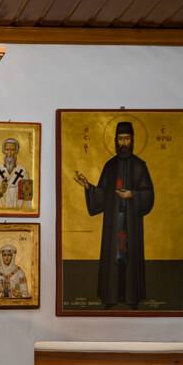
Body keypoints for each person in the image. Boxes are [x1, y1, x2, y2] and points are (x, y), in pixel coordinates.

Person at [74, 120, 154, 309]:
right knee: (113, 259)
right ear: (115, 141)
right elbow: (102, 194)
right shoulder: (110, 166)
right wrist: (88, 186)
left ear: (132, 140)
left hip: (131, 220)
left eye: (127, 139)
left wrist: (131, 194)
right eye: (120, 139)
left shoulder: (140, 166)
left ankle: (131, 299)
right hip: (113, 220)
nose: (123, 143)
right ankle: (111, 298)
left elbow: (149, 194)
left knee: (130, 259)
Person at [0, 138, 33, 210]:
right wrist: (0, 193)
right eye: (7, 150)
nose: (9, 154)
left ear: (16, 151)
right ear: (3, 151)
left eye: (12, 150)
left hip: (18, 214)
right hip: (0, 213)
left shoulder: (23, 173)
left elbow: (27, 200)